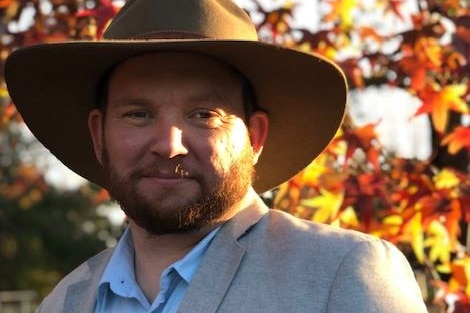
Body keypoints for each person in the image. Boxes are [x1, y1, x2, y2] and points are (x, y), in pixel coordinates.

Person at [5, 0, 428, 312]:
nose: (169, 144)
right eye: (138, 114)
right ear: (99, 135)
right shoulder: (64, 302)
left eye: (204, 115)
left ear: (255, 135)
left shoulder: (342, 274)